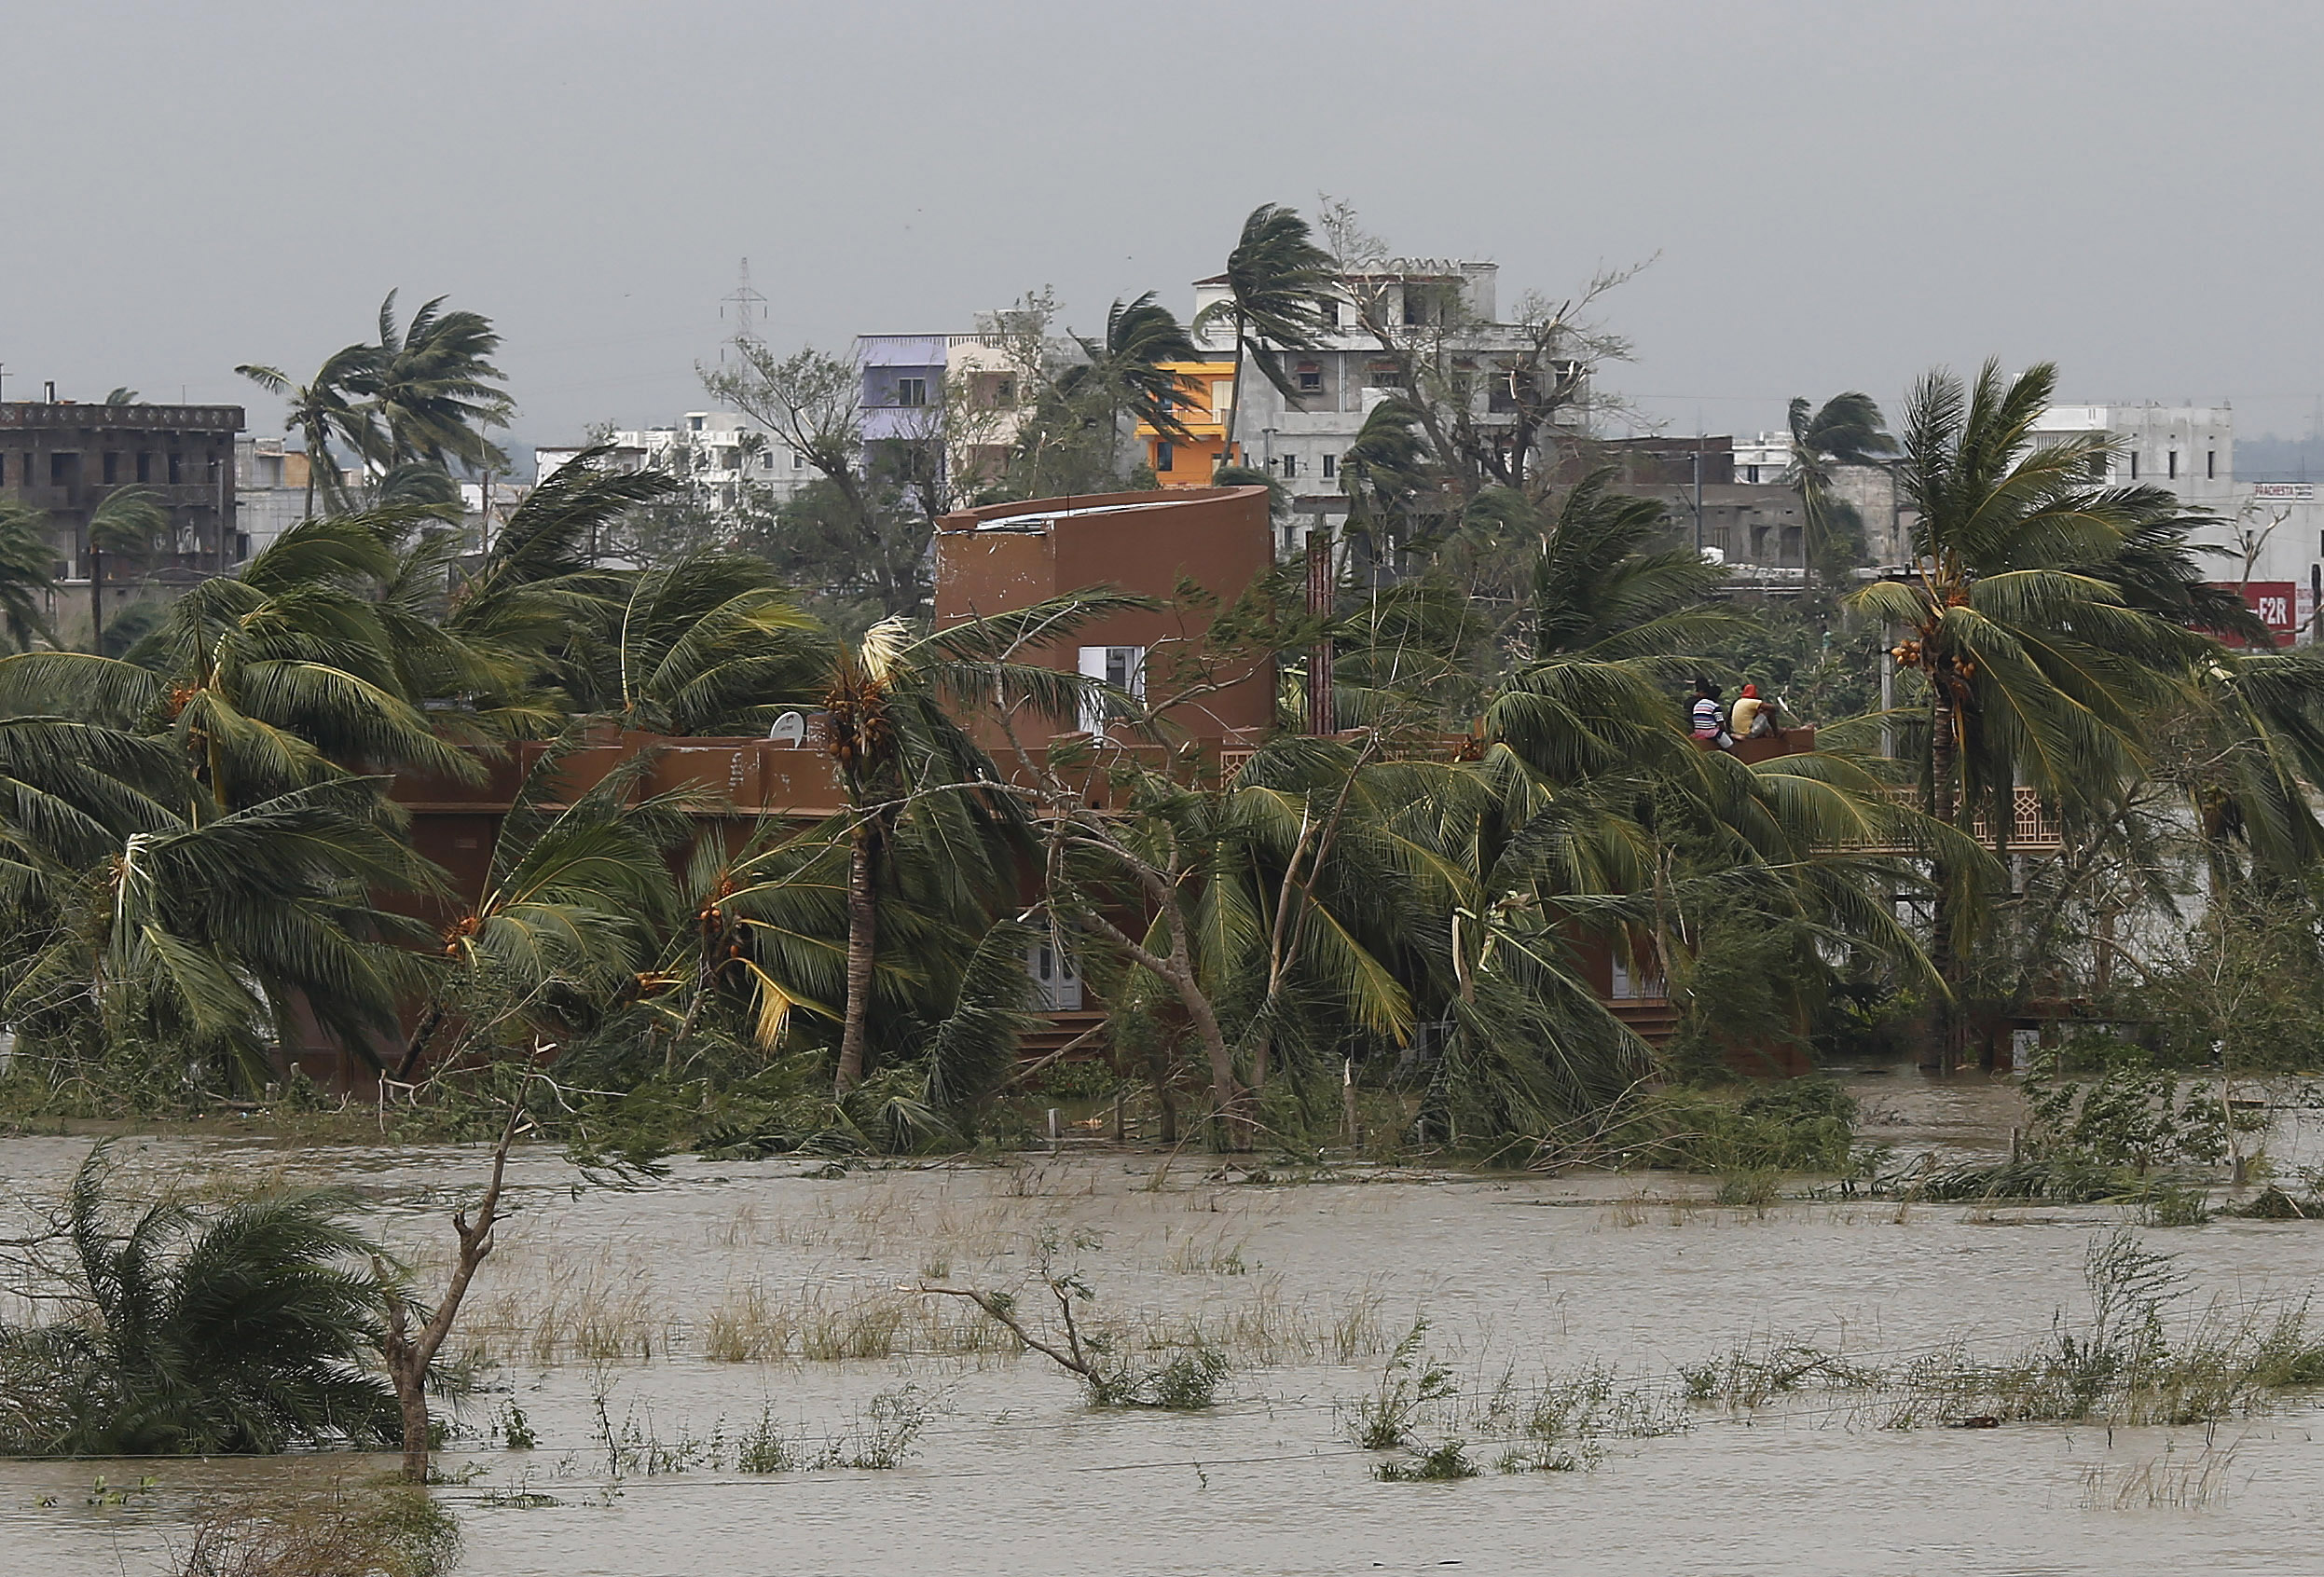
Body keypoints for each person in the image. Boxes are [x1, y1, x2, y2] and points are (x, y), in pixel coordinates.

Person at [1688, 678, 1732, 749]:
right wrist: (1725, 731)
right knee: (1729, 744)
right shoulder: (1715, 706)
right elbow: (1720, 722)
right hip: (1710, 732)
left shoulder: (1697, 704)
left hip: (1698, 731)